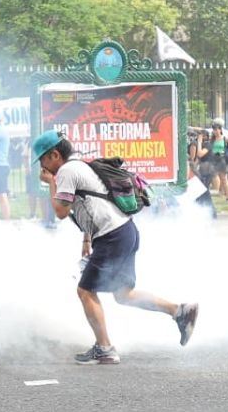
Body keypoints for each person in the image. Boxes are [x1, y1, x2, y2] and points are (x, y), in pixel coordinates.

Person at [32, 130, 198, 365]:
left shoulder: (67, 171)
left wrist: (51, 182)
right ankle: (179, 311)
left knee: (85, 291)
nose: (42, 166)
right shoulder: (80, 166)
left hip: (112, 236)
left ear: (54, 155)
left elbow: (60, 211)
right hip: (125, 231)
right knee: (123, 294)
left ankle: (105, 348)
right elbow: (91, 203)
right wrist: (87, 239)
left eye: (42, 160)